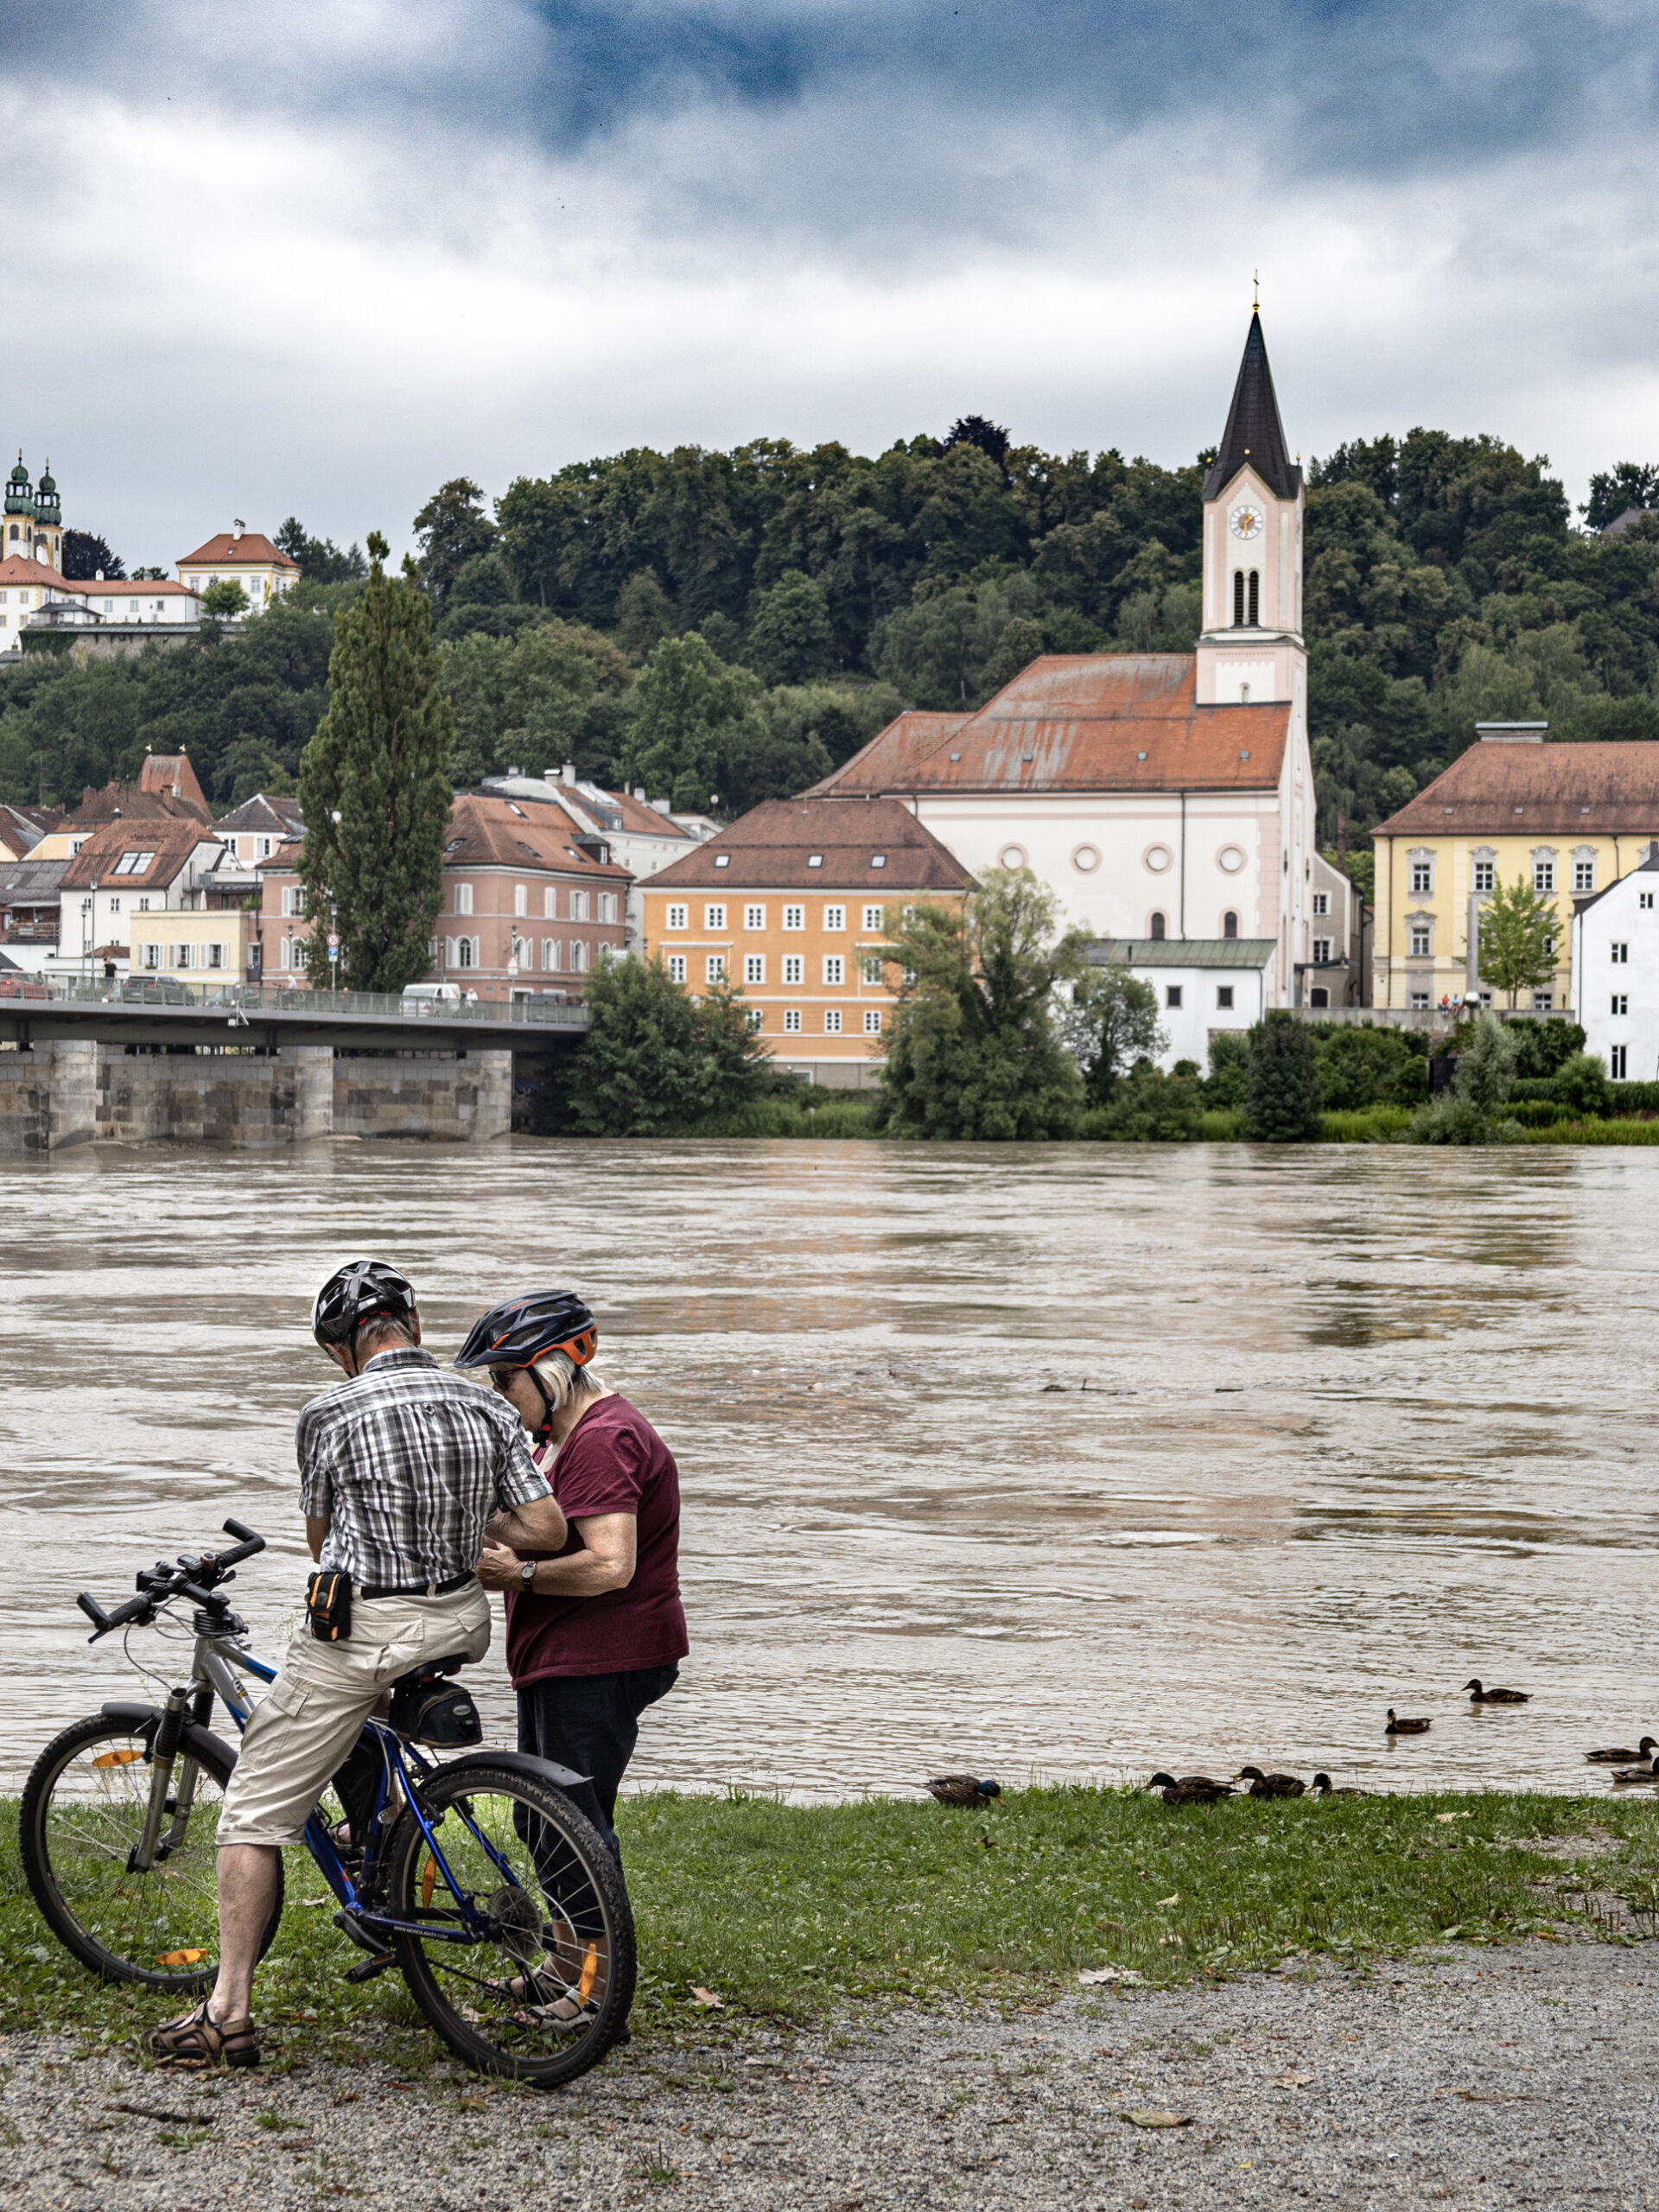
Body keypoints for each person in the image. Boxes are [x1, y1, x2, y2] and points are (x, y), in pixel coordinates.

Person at [145, 1258, 567, 2069]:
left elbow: (319, 1542)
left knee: (254, 1811)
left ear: (343, 1346)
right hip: (460, 1620)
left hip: (368, 1629)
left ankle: (225, 2011)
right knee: (359, 1719)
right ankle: (380, 1833)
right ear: (414, 1327)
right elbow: (545, 1529)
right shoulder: (485, 1403)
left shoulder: (327, 1411)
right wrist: (467, 1517)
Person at [459, 1292, 686, 1884]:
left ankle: (590, 1973)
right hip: (566, 1656)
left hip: (596, 1659)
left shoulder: (602, 1440)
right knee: (544, 1819)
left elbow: (611, 1564)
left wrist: (518, 1575)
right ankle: (573, 1965)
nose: (499, 1395)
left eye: (507, 1380)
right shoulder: (562, 1434)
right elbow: (547, 1528)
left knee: (567, 1825)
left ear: (552, 1370)